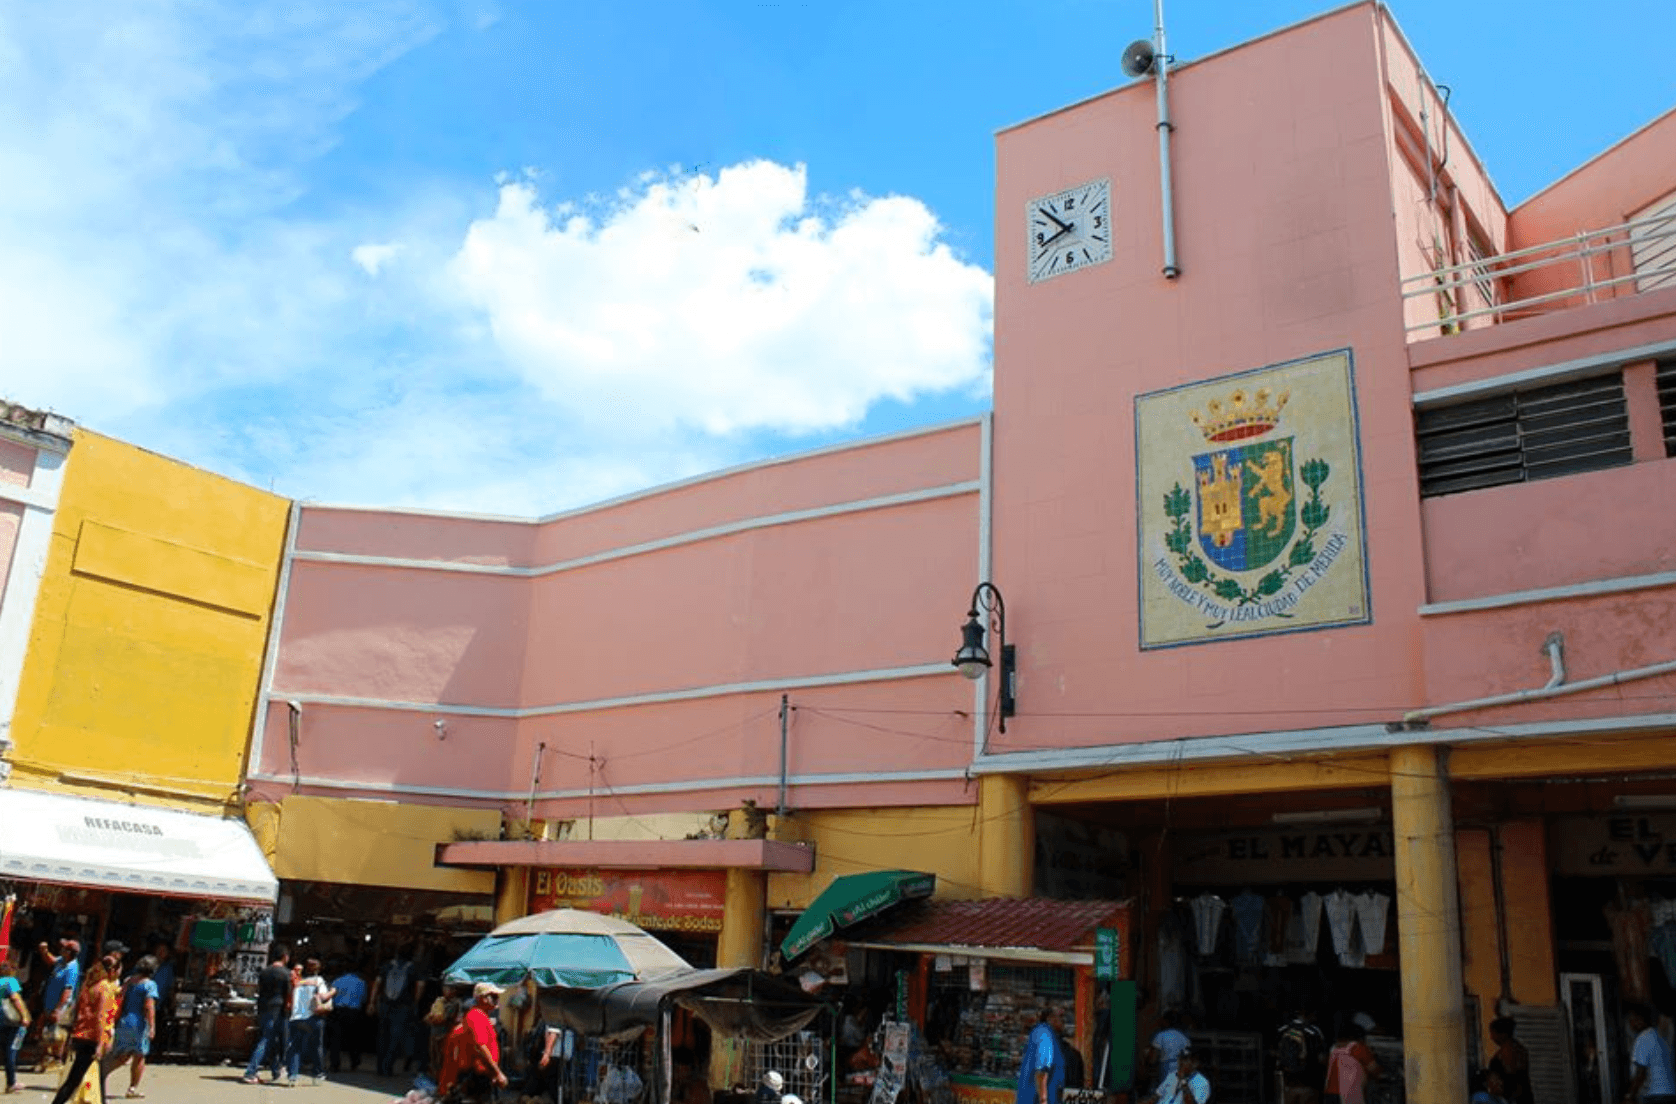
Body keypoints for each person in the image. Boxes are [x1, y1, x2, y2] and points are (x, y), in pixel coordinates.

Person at [49, 951, 121, 1104]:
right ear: (112, 970)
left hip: (81, 1034)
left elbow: (78, 1011)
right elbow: (101, 1016)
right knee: (77, 1079)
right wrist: (101, 1043)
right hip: (93, 1037)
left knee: (80, 1078)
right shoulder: (104, 987)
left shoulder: (88, 985)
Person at [102, 955, 158, 1099]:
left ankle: (101, 1072)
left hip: (124, 1020)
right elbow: (149, 1006)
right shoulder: (149, 985)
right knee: (139, 1056)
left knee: (121, 1055)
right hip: (139, 1023)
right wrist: (152, 1026)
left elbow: (119, 998)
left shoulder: (128, 981)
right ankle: (132, 1088)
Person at [443, 982, 509, 1103]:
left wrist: (493, 1073)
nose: (497, 1000)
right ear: (484, 998)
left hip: (482, 1073)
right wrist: (497, 1072)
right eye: (494, 997)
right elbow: (481, 1046)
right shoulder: (476, 1016)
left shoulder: (482, 1016)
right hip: (475, 1074)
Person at [241, 944, 292, 1085]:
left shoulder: (264, 972)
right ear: (285, 957)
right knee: (266, 1039)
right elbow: (289, 994)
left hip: (263, 1008)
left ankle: (275, 1071)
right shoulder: (287, 973)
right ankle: (250, 1072)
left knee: (270, 1039)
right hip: (278, 1009)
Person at [372, 944, 420, 1077]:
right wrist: (415, 1003)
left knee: (383, 1035)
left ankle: (380, 1067)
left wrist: (372, 1002)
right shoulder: (413, 968)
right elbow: (420, 986)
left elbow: (377, 983)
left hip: (385, 1004)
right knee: (395, 1037)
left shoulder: (387, 965)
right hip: (403, 1006)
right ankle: (387, 1067)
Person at [285, 956, 334, 1086]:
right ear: (319, 968)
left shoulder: (298, 981)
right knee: (316, 1047)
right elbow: (323, 997)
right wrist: (333, 992)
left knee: (295, 1047)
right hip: (313, 1017)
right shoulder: (319, 980)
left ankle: (292, 1076)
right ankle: (318, 1075)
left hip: (296, 1017)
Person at [34, 939, 80, 1071]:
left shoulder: (72, 968)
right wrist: (44, 951)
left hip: (59, 1006)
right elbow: (51, 960)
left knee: (56, 1034)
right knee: (46, 1032)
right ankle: (45, 1059)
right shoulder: (62, 960)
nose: (61, 949)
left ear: (69, 952)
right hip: (49, 1003)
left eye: (64, 948)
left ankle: (56, 1060)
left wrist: (58, 1009)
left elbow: (68, 990)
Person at [1624, 1003, 1676, 1104]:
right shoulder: (1663, 1036)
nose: (1630, 1025)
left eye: (1631, 1020)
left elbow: (1641, 1073)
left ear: (1640, 1019)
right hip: (1671, 1093)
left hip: (1653, 1095)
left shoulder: (1643, 1038)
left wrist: (1629, 1096)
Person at [1015, 1005, 1066, 1104]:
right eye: (1061, 1017)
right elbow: (1041, 1070)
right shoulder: (1044, 1033)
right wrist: (1043, 1100)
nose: (1064, 1021)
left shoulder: (1046, 1034)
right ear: (1050, 1018)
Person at [1276, 1006, 1327, 1104]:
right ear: (1309, 1014)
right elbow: (1322, 1059)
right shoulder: (1315, 1031)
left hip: (1288, 1084)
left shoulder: (1282, 1030)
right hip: (1309, 1084)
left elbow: (1275, 1056)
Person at [326, 959, 369, 1073]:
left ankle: (335, 1064)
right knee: (353, 1038)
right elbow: (363, 998)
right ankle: (354, 1062)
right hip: (354, 1012)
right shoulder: (361, 982)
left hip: (338, 1011)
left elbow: (331, 996)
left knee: (336, 1038)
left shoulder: (337, 981)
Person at [1323, 1022, 1379, 1104]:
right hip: (1349, 1094)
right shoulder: (1358, 1048)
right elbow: (1373, 1069)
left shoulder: (1333, 1049)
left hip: (1330, 1093)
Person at [1, 958, 31, 1095]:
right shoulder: (11, 981)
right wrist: (24, 1016)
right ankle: (11, 1083)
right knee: (11, 1051)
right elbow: (15, 998)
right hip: (11, 1022)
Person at [1487, 1017, 1532, 1104]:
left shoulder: (1507, 1053)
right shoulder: (1520, 1049)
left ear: (1503, 1034)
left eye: (1493, 1033)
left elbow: (1512, 1080)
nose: (1491, 1037)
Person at [1146, 1011, 1192, 1095]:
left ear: (1166, 1021)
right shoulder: (1184, 1037)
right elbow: (1188, 1058)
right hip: (1181, 1072)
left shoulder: (1160, 1036)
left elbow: (1152, 1059)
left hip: (1165, 1072)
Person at [1145, 1048, 1211, 1104]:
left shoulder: (1202, 1082)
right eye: (1180, 1058)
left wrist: (1183, 1080)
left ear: (1195, 1063)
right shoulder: (1172, 1074)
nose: (1181, 1062)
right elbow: (1157, 1095)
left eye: (1185, 1060)